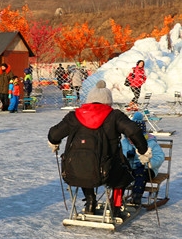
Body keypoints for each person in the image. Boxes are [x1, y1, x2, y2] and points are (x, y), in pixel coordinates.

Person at [48, 81, 149, 218]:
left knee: (84, 165)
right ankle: (116, 207)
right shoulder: (114, 116)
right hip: (107, 170)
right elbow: (134, 131)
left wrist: (54, 143)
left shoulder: (74, 116)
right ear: (108, 101)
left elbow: (54, 135)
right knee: (123, 175)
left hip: (73, 170)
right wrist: (142, 150)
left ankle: (90, 201)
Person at [121, 112, 164, 205]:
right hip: (130, 169)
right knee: (121, 173)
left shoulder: (151, 143)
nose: (131, 140)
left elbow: (160, 157)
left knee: (141, 173)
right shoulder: (124, 143)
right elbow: (120, 155)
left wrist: (149, 162)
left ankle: (137, 196)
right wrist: (127, 156)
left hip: (148, 169)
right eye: (129, 137)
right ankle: (118, 197)